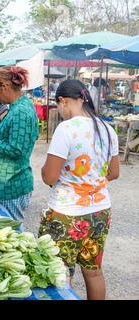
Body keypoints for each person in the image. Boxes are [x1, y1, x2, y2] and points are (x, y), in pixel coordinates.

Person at [40, 80, 119, 300]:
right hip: (100, 212)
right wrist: (91, 184)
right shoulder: (107, 128)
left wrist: (46, 171)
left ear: (63, 101)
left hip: (67, 214)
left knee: (57, 272)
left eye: (59, 107)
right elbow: (113, 173)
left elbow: (50, 176)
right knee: (94, 271)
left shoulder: (66, 129)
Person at [0, 66, 39, 225]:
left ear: (5, 87)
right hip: (7, 182)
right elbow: (16, 136)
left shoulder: (21, 111)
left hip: (13, 184)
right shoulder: (17, 107)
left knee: (13, 231)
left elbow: (16, 150)